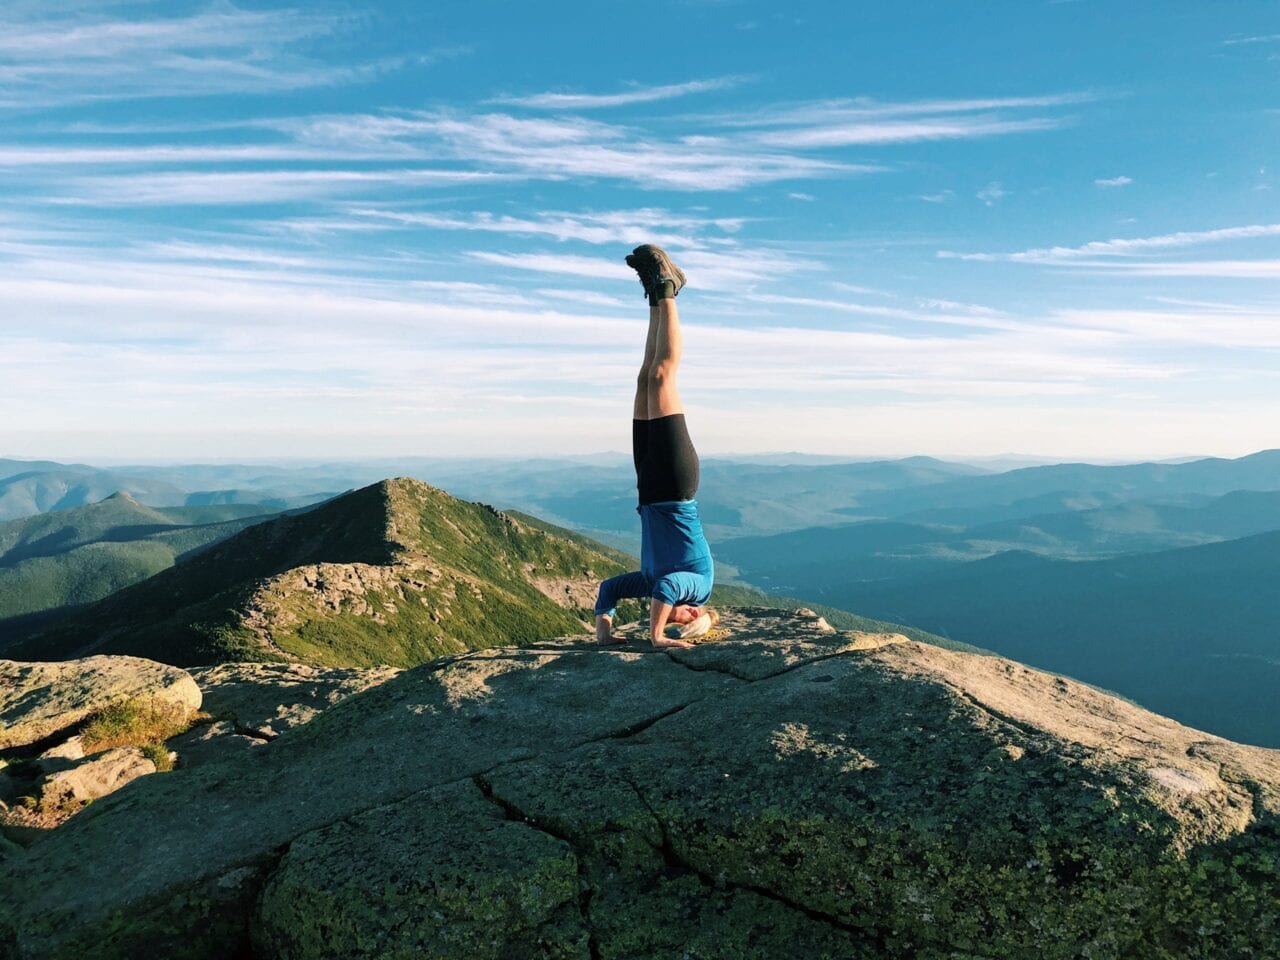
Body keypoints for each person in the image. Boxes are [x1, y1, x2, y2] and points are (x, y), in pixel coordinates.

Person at [594, 244, 717, 650]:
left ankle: (655, 290)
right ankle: (668, 287)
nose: (672, 615)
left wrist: (606, 632)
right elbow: (668, 586)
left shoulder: (649, 583)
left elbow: (609, 588)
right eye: (681, 620)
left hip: (649, 485)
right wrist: (658, 636)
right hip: (675, 484)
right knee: (663, 377)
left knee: (646, 378)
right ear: (694, 612)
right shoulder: (697, 588)